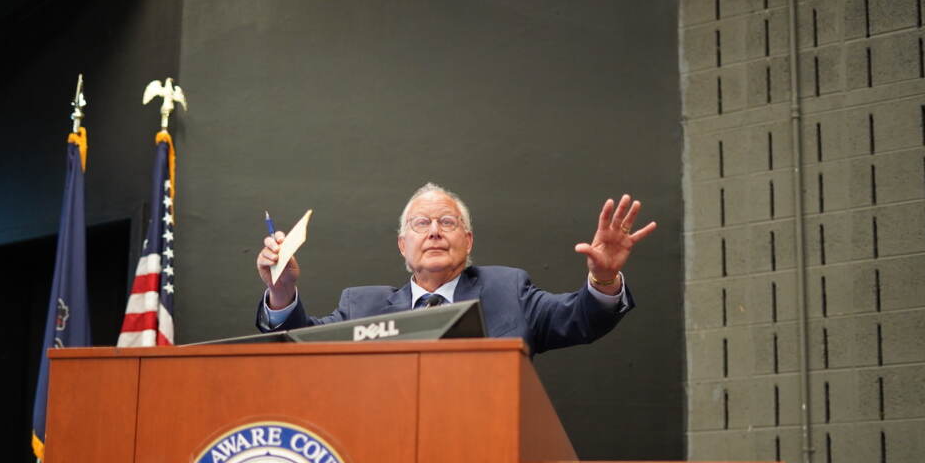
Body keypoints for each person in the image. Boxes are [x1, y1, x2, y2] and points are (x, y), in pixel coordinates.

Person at [255, 183, 656, 356]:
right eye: (420, 225)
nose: (434, 232)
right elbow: (300, 349)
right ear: (402, 245)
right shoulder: (362, 305)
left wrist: (604, 279)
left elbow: (580, 320)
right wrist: (281, 291)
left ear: (469, 241)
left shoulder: (507, 292)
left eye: (447, 223)